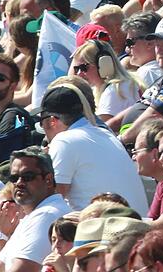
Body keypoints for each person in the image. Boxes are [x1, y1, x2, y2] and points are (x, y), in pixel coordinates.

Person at [37, 83, 148, 214]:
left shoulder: (64, 141)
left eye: (41, 123)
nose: (43, 132)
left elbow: (51, 201)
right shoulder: (105, 133)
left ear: (52, 121)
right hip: (130, 221)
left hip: (106, 224)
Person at [0, 147, 72, 272]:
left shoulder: (47, 214)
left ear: (48, 180)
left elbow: (23, 269)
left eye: (27, 176)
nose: (19, 183)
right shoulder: (33, 216)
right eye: (14, 178)